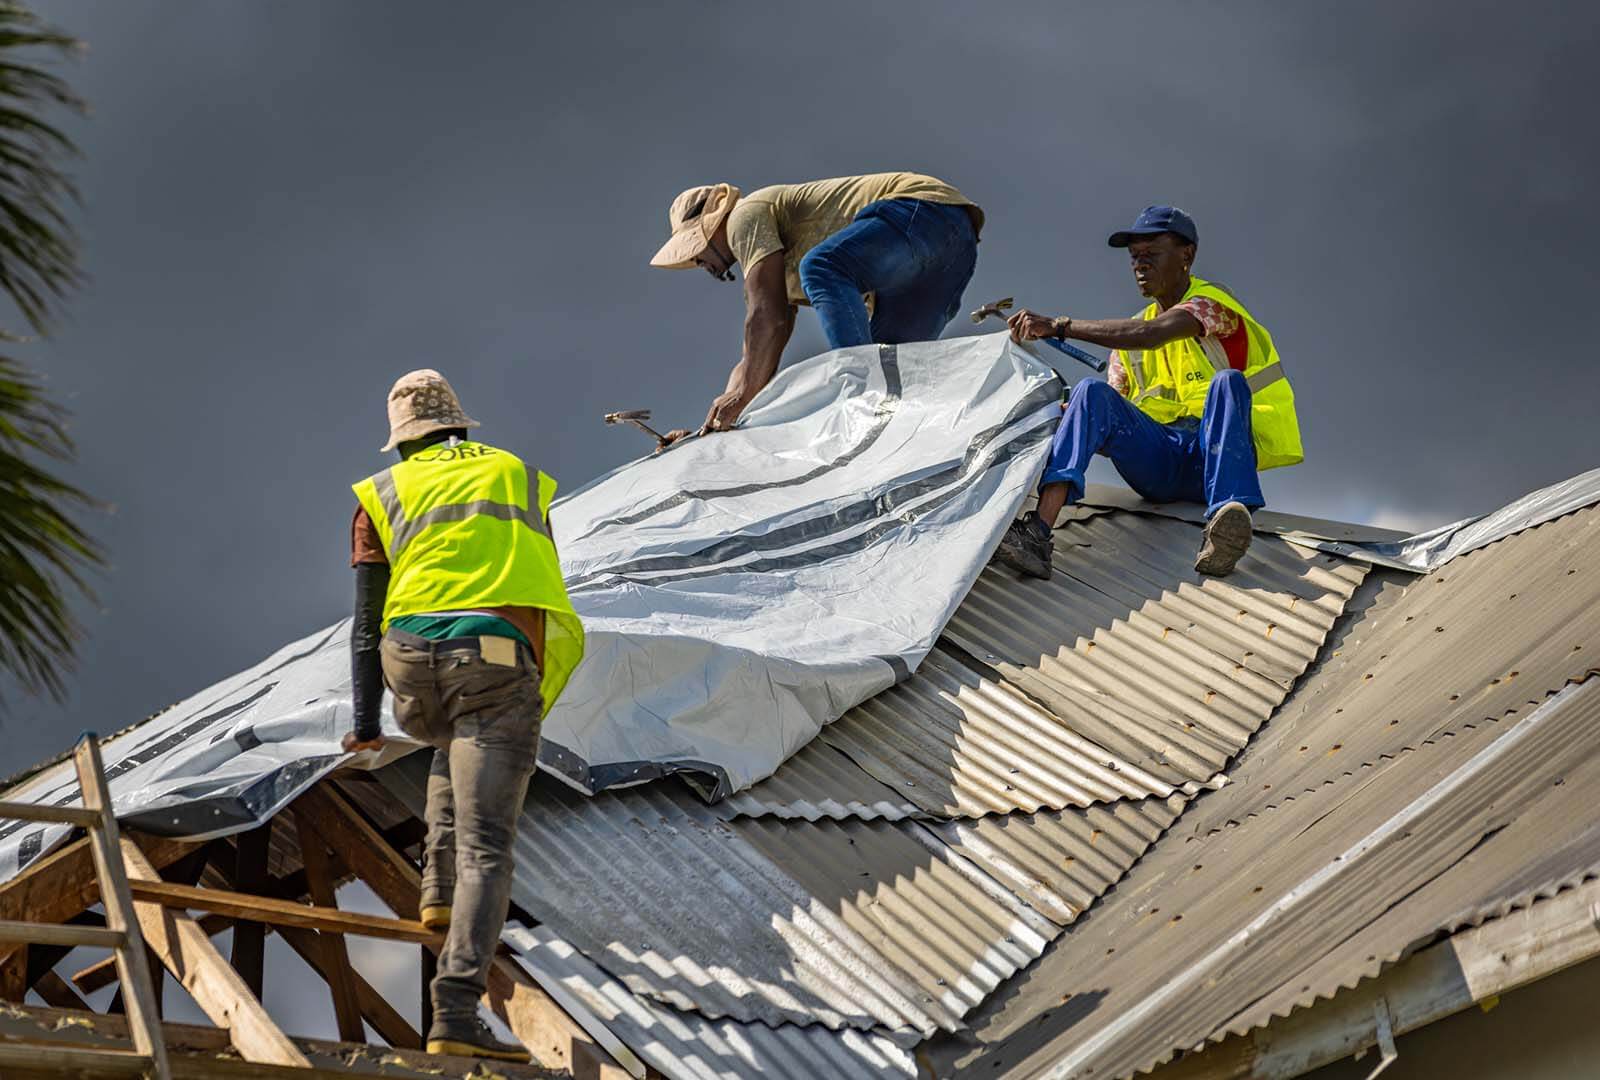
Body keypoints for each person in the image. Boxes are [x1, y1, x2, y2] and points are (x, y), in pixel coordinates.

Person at [344, 370, 583, 1062]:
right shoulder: (515, 475)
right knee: (490, 846)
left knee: (453, 734)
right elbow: (534, 585)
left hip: (409, 665)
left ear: (402, 442)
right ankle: (455, 1006)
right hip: (492, 659)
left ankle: (437, 894)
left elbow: (364, 623)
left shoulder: (379, 494)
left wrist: (366, 720)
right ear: (459, 425)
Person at [993, 205, 1302, 579]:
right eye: (1135, 257)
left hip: (1215, 460)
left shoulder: (1213, 305)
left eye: (1151, 255)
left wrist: (1059, 326)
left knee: (1227, 383)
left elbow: (1152, 335)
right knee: (1089, 394)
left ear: (1186, 255)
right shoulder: (1127, 342)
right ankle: (1037, 535)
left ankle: (1227, 520)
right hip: (1160, 462)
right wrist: (1065, 413)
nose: (1140, 265)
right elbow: (1106, 413)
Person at [648, 172, 984, 443]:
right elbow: (758, 349)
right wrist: (714, 423)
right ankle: (921, 428)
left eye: (697, 249)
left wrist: (743, 394)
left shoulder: (743, 217)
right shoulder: (780, 270)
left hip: (921, 212)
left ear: (713, 223)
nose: (698, 261)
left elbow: (767, 318)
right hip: (955, 245)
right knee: (893, 363)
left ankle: (861, 387)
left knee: (822, 268)